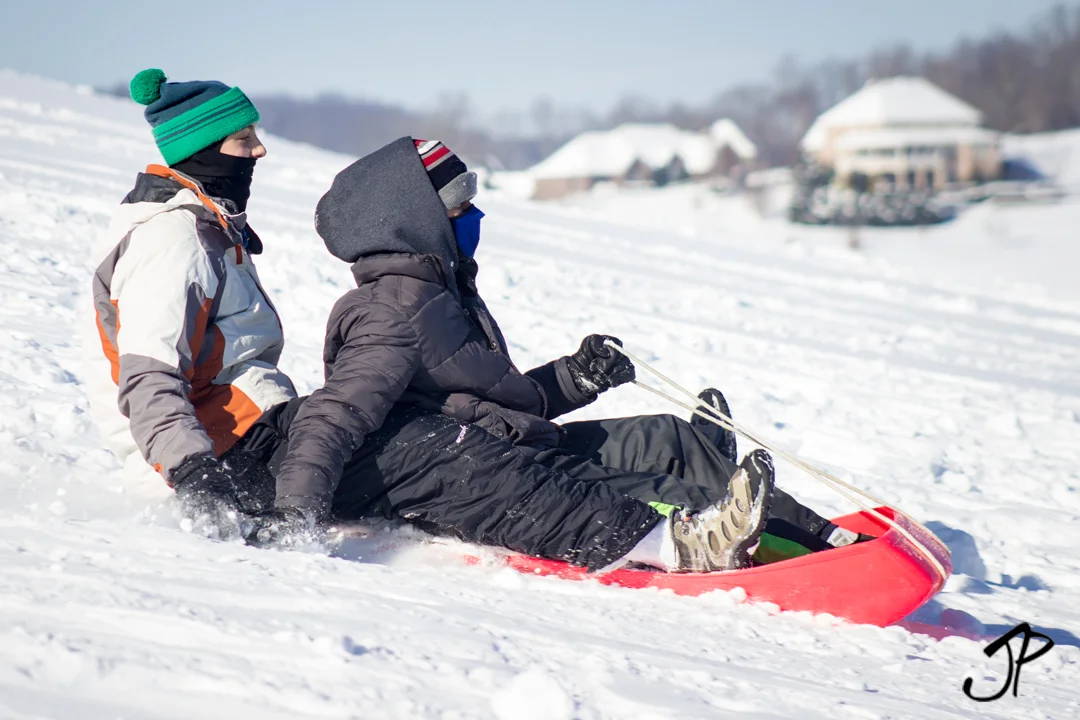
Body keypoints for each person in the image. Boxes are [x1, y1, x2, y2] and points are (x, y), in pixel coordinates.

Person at [86, 72, 772, 573]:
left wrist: (574, 377)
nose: (260, 151)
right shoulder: (169, 240)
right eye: (244, 140)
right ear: (201, 150)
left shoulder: (209, 234)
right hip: (229, 462)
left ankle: (732, 502)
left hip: (262, 443)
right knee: (439, 451)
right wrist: (198, 477)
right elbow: (147, 377)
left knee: (460, 442)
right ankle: (673, 545)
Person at [259, 137, 857, 571]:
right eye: (460, 202)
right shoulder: (393, 312)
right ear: (415, 221)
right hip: (488, 474)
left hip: (514, 439)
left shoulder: (440, 294)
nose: (475, 214)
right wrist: (297, 512)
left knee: (670, 436)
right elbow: (334, 415)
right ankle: (785, 541)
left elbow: (501, 397)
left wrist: (577, 376)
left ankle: (782, 512)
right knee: (665, 485)